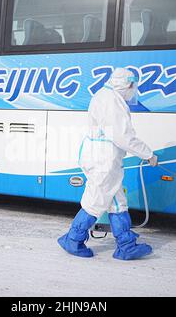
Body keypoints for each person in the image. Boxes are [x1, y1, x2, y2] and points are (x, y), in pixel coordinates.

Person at [58, 67, 158, 260]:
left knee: (117, 202)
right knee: (96, 202)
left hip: (101, 157)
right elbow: (123, 136)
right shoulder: (112, 101)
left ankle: (125, 244)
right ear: (128, 85)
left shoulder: (105, 95)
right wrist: (148, 154)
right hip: (103, 160)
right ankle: (73, 239)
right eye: (133, 87)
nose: (133, 92)